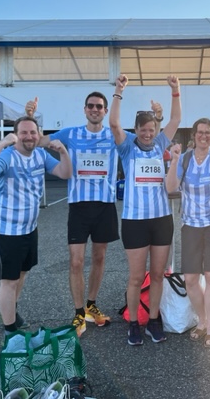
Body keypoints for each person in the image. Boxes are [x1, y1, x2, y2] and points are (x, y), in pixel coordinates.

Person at [25, 92, 123, 335]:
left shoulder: (113, 134)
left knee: (99, 258)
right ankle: (79, 312)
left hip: (104, 205)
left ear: (105, 110)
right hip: (79, 205)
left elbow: (144, 140)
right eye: (91, 106)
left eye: (99, 106)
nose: (94, 109)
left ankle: (91, 305)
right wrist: (30, 118)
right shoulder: (71, 133)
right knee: (76, 261)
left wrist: (158, 120)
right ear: (84, 109)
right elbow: (39, 141)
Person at [0, 116, 72, 336]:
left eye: (33, 132)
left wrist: (64, 152)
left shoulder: (40, 154)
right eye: (24, 132)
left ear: (39, 134)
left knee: (22, 273)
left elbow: (65, 173)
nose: (29, 136)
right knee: (9, 281)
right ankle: (10, 332)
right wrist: (1, 143)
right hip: (6, 231)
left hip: (29, 228)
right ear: (16, 135)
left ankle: (10, 312)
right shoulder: (7, 156)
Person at [109, 73, 181, 346]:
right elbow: (114, 123)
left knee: (159, 274)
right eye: (143, 130)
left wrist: (176, 90)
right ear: (136, 130)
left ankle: (153, 320)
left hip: (161, 220)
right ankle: (133, 324)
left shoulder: (160, 144)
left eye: (151, 129)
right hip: (135, 222)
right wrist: (119, 91)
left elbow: (175, 120)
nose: (148, 134)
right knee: (137, 276)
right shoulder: (127, 148)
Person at [165, 118, 210, 349]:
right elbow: (170, 187)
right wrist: (174, 160)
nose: (203, 136)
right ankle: (202, 320)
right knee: (191, 279)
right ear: (194, 135)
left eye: (207, 132)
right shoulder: (185, 158)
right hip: (191, 224)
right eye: (199, 132)